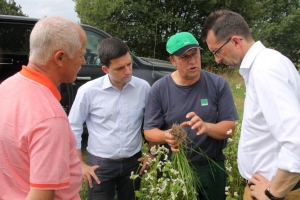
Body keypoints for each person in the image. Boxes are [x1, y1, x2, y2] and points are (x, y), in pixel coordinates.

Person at [201, 9, 300, 200]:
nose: (217, 59)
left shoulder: (265, 70)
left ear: (236, 41)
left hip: (278, 190)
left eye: (217, 51)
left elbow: (296, 141)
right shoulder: (267, 63)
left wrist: (273, 194)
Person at [143, 31, 239, 200]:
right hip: (175, 167)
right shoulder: (159, 89)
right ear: (172, 61)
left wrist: (206, 127)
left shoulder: (218, 84)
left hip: (212, 166)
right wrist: (166, 136)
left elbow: (230, 128)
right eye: (184, 57)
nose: (192, 61)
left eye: (195, 54)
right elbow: (149, 131)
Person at [0, 17, 86, 199]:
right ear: (60, 57)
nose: (84, 61)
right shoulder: (50, 119)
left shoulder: (6, 87)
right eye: (80, 55)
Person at [68, 37, 151, 200]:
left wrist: (151, 154)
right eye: (120, 68)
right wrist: (82, 165)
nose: (127, 71)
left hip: (133, 162)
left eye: (129, 64)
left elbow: (153, 122)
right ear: (105, 69)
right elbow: (73, 127)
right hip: (100, 165)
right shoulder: (88, 91)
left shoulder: (144, 88)